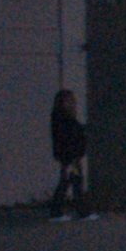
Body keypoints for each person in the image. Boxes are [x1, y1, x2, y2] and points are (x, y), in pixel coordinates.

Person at [47, 89, 91, 221]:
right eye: (70, 101)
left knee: (74, 181)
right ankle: (59, 212)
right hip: (70, 156)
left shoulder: (63, 118)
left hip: (71, 155)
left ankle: (80, 211)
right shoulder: (63, 118)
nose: (73, 103)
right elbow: (69, 135)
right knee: (68, 182)